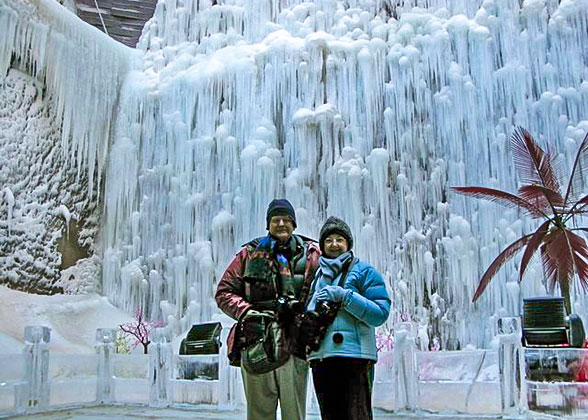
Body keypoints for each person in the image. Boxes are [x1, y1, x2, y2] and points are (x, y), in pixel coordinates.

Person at [215, 199, 320, 420]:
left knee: (295, 413)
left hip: (295, 342)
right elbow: (224, 292)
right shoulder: (249, 253)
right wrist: (246, 311)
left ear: (294, 223)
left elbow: (326, 289)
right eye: (275, 219)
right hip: (256, 342)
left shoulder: (311, 255)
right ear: (268, 224)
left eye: (286, 219)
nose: (281, 223)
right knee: (259, 413)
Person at [307, 216, 391, 420]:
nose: (334, 244)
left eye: (339, 239)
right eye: (328, 240)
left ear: (348, 244)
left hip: (356, 357)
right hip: (322, 358)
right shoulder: (316, 277)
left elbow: (380, 313)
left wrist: (346, 297)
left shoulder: (365, 272)